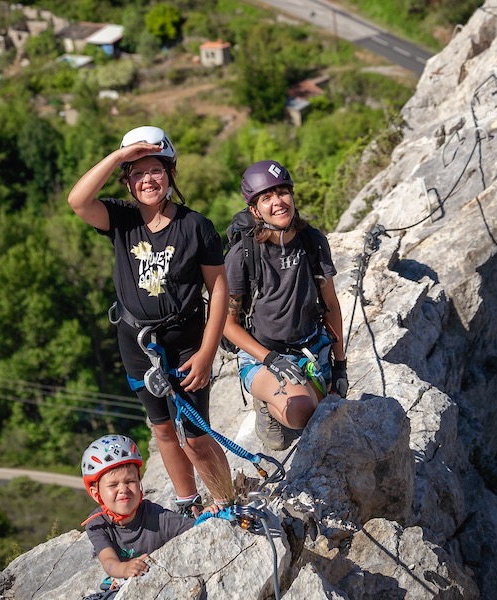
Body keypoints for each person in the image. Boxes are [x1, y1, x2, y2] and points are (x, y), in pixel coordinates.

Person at [67, 125, 232, 517]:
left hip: (187, 340)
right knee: (161, 429)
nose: (147, 180)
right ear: (126, 181)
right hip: (138, 342)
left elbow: (220, 290)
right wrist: (118, 157)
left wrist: (208, 353)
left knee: (194, 436)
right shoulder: (122, 220)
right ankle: (189, 503)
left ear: (171, 174)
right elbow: (77, 200)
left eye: (155, 170)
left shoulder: (195, 226)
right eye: (136, 173)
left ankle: (227, 500)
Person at [223, 160, 348, 451]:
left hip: (311, 346)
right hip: (263, 355)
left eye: (283, 193)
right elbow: (226, 325)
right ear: (254, 210)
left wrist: (340, 365)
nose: (278, 202)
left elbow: (330, 305)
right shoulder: (243, 255)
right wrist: (271, 360)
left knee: (332, 410)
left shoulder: (311, 240)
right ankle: (268, 403)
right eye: (266, 198)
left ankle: (298, 393)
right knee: (303, 412)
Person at [81, 434, 194, 584]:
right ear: (96, 494)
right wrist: (124, 569)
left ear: (139, 483)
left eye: (130, 481)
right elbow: (108, 560)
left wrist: (208, 518)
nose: (123, 489)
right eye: (113, 485)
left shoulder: (156, 516)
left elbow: (196, 528)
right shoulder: (97, 524)